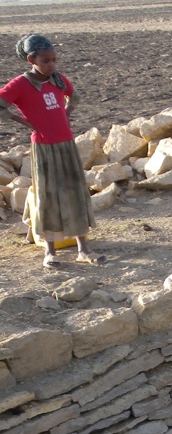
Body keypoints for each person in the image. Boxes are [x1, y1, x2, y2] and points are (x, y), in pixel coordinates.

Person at [0, 34, 103, 269]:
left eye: (54, 60)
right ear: (31, 60)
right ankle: (50, 251)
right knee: (48, 197)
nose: (52, 65)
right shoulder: (20, 84)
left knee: (75, 192)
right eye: (46, 61)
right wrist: (26, 123)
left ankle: (83, 249)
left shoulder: (57, 79)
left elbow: (74, 97)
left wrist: (65, 115)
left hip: (66, 144)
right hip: (44, 147)